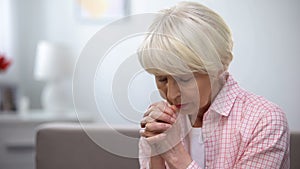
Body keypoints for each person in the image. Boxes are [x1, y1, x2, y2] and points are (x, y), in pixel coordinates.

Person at [137, 1, 289, 169]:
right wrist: (157, 154)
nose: (171, 95)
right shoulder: (159, 123)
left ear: (219, 65)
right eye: (162, 79)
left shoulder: (264, 120)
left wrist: (173, 152)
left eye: (185, 79)